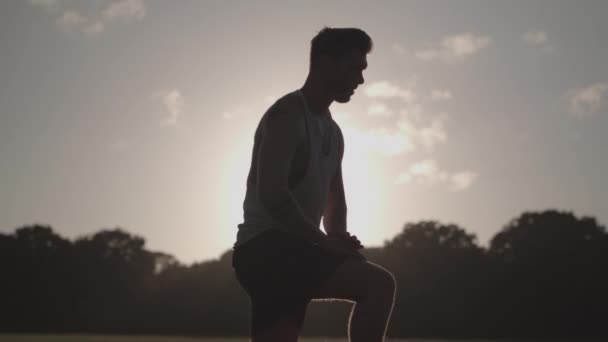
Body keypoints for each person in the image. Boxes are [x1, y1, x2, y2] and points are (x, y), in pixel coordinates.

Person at [231, 27, 396, 342]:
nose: (361, 80)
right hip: (265, 250)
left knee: (375, 284)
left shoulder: (333, 133)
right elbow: (273, 196)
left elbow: (335, 202)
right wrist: (323, 243)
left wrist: (339, 241)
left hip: (293, 251)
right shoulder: (287, 115)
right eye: (355, 68)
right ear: (324, 62)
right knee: (378, 285)